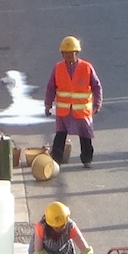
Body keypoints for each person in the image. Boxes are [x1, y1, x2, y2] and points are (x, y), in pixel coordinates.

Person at [43, 36, 104, 168]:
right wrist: (48, 105)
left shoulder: (87, 67)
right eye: (66, 53)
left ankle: (87, 159)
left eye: (71, 53)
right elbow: (51, 87)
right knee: (60, 137)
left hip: (81, 111)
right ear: (62, 54)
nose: (68, 56)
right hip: (64, 111)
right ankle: (55, 161)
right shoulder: (58, 68)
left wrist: (97, 103)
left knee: (85, 136)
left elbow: (96, 86)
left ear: (77, 53)